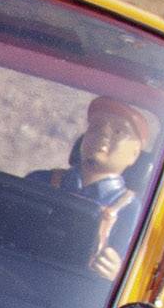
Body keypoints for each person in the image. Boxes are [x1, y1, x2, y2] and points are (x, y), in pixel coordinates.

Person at [40, 95, 157, 278]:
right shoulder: (42, 180)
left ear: (134, 154)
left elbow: (133, 269)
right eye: (96, 127)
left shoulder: (131, 210)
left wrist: (116, 272)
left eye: (118, 132)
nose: (103, 135)